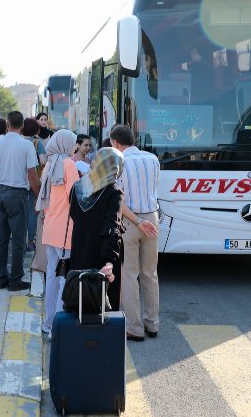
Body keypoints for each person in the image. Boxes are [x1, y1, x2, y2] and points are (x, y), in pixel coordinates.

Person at [109, 125, 160, 342]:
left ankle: (135, 328)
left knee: (129, 274)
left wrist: (137, 221)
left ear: (116, 143)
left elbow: (118, 201)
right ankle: (153, 323)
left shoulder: (119, 162)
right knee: (150, 273)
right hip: (152, 217)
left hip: (131, 221)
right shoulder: (152, 159)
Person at [0, 111, 40, 291]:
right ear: (22, 125)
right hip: (18, 195)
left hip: (1, 193)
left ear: (7, 124)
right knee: (18, 240)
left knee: (1, 239)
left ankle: (1, 278)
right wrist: (39, 197)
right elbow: (32, 175)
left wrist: (2, 176)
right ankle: (16, 280)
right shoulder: (27, 145)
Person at [68, 147, 125, 310]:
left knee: (79, 302)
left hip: (79, 251)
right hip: (101, 257)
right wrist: (109, 263)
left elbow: (73, 215)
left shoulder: (78, 187)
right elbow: (112, 229)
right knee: (103, 309)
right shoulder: (114, 192)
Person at [35, 129, 78, 335]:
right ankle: (59, 327)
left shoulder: (49, 164)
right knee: (63, 277)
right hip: (65, 229)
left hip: (50, 227)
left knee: (52, 277)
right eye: (73, 143)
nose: (74, 147)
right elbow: (76, 196)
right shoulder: (68, 165)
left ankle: (49, 322)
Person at [21, 117, 45, 252]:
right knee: (32, 210)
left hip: (19, 180)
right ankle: (30, 241)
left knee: (21, 211)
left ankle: (19, 240)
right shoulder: (37, 142)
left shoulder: (18, 142)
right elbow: (42, 161)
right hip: (33, 180)